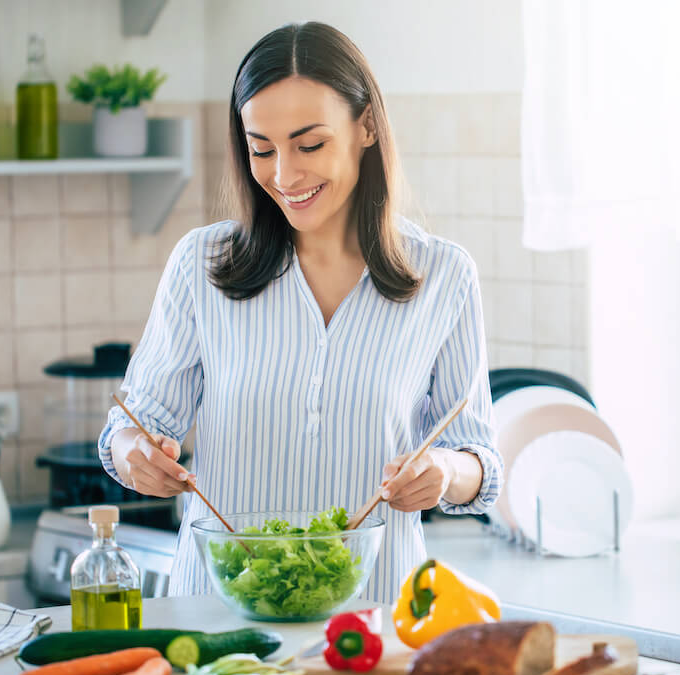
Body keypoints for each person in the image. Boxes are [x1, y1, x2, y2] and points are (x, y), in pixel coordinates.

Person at [98, 21, 502, 603]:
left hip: (370, 625)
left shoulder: (444, 276)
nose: (285, 177)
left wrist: (446, 473)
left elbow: (480, 460)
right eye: (262, 149)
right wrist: (135, 455)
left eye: (309, 145)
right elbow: (131, 427)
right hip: (220, 620)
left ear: (366, 126)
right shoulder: (201, 264)